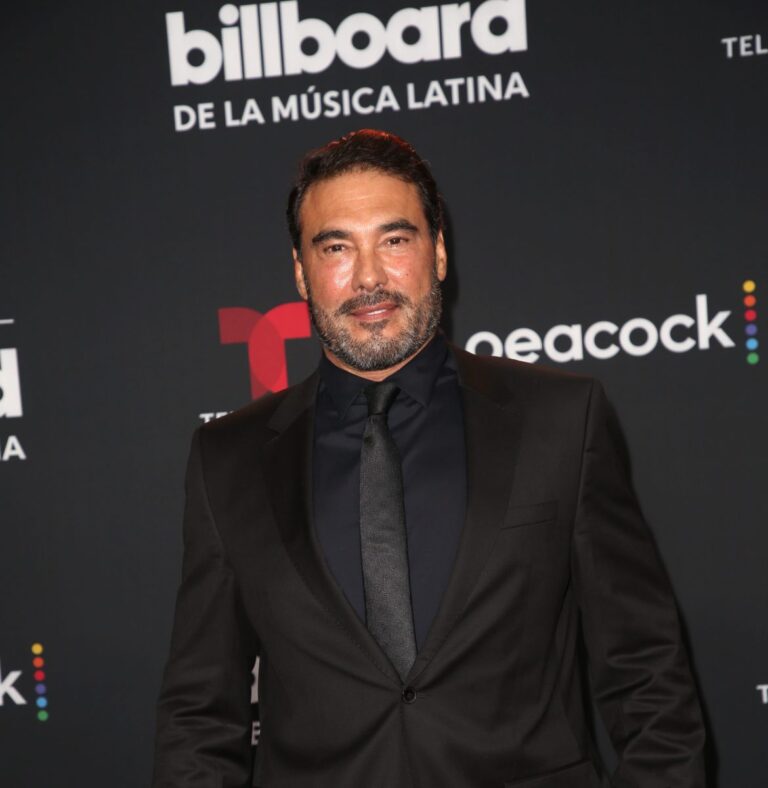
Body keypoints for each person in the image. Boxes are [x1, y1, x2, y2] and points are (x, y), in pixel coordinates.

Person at [152, 129, 706, 787]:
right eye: (336, 248)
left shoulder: (560, 420)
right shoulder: (229, 458)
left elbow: (647, 674)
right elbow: (200, 717)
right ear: (300, 271)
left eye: (394, 240)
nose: (368, 278)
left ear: (438, 252)